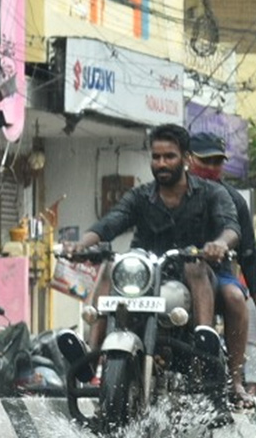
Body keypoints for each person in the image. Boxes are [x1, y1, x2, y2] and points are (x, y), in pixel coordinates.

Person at [61, 123, 240, 403]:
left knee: (194, 265)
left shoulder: (211, 194)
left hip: (193, 275)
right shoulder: (140, 196)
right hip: (144, 276)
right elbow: (112, 221)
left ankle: (205, 346)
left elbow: (231, 227)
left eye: (169, 156)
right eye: (156, 157)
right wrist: (81, 244)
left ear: (185, 158)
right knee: (112, 265)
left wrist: (219, 244)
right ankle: (90, 355)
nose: (161, 163)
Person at [186, 131, 256, 408]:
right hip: (172, 268)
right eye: (205, 161)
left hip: (217, 274)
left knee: (236, 298)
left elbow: (249, 256)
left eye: (217, 162)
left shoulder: (233, 200)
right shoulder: (171, 192)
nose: (212, 167)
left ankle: (234, 380)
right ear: (189, 159)